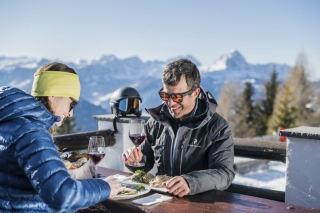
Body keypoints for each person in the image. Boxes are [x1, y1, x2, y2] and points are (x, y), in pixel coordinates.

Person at [0, 62, 120, 212]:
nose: (71, 113)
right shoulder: (32, 132)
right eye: (72, 104)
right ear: (53, 94)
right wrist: (105, 187)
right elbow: (62, 195)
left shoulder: (11, 122)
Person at [123, 59, 235, 197]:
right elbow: (146, 163)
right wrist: (135, 161)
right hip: (160, 200)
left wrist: (190, 182)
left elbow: (224, 173)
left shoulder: (217, 127)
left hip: (199, 203)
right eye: (165, 95)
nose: (170, 103)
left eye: (176, 97)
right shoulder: (155, 122)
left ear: (195, 93)